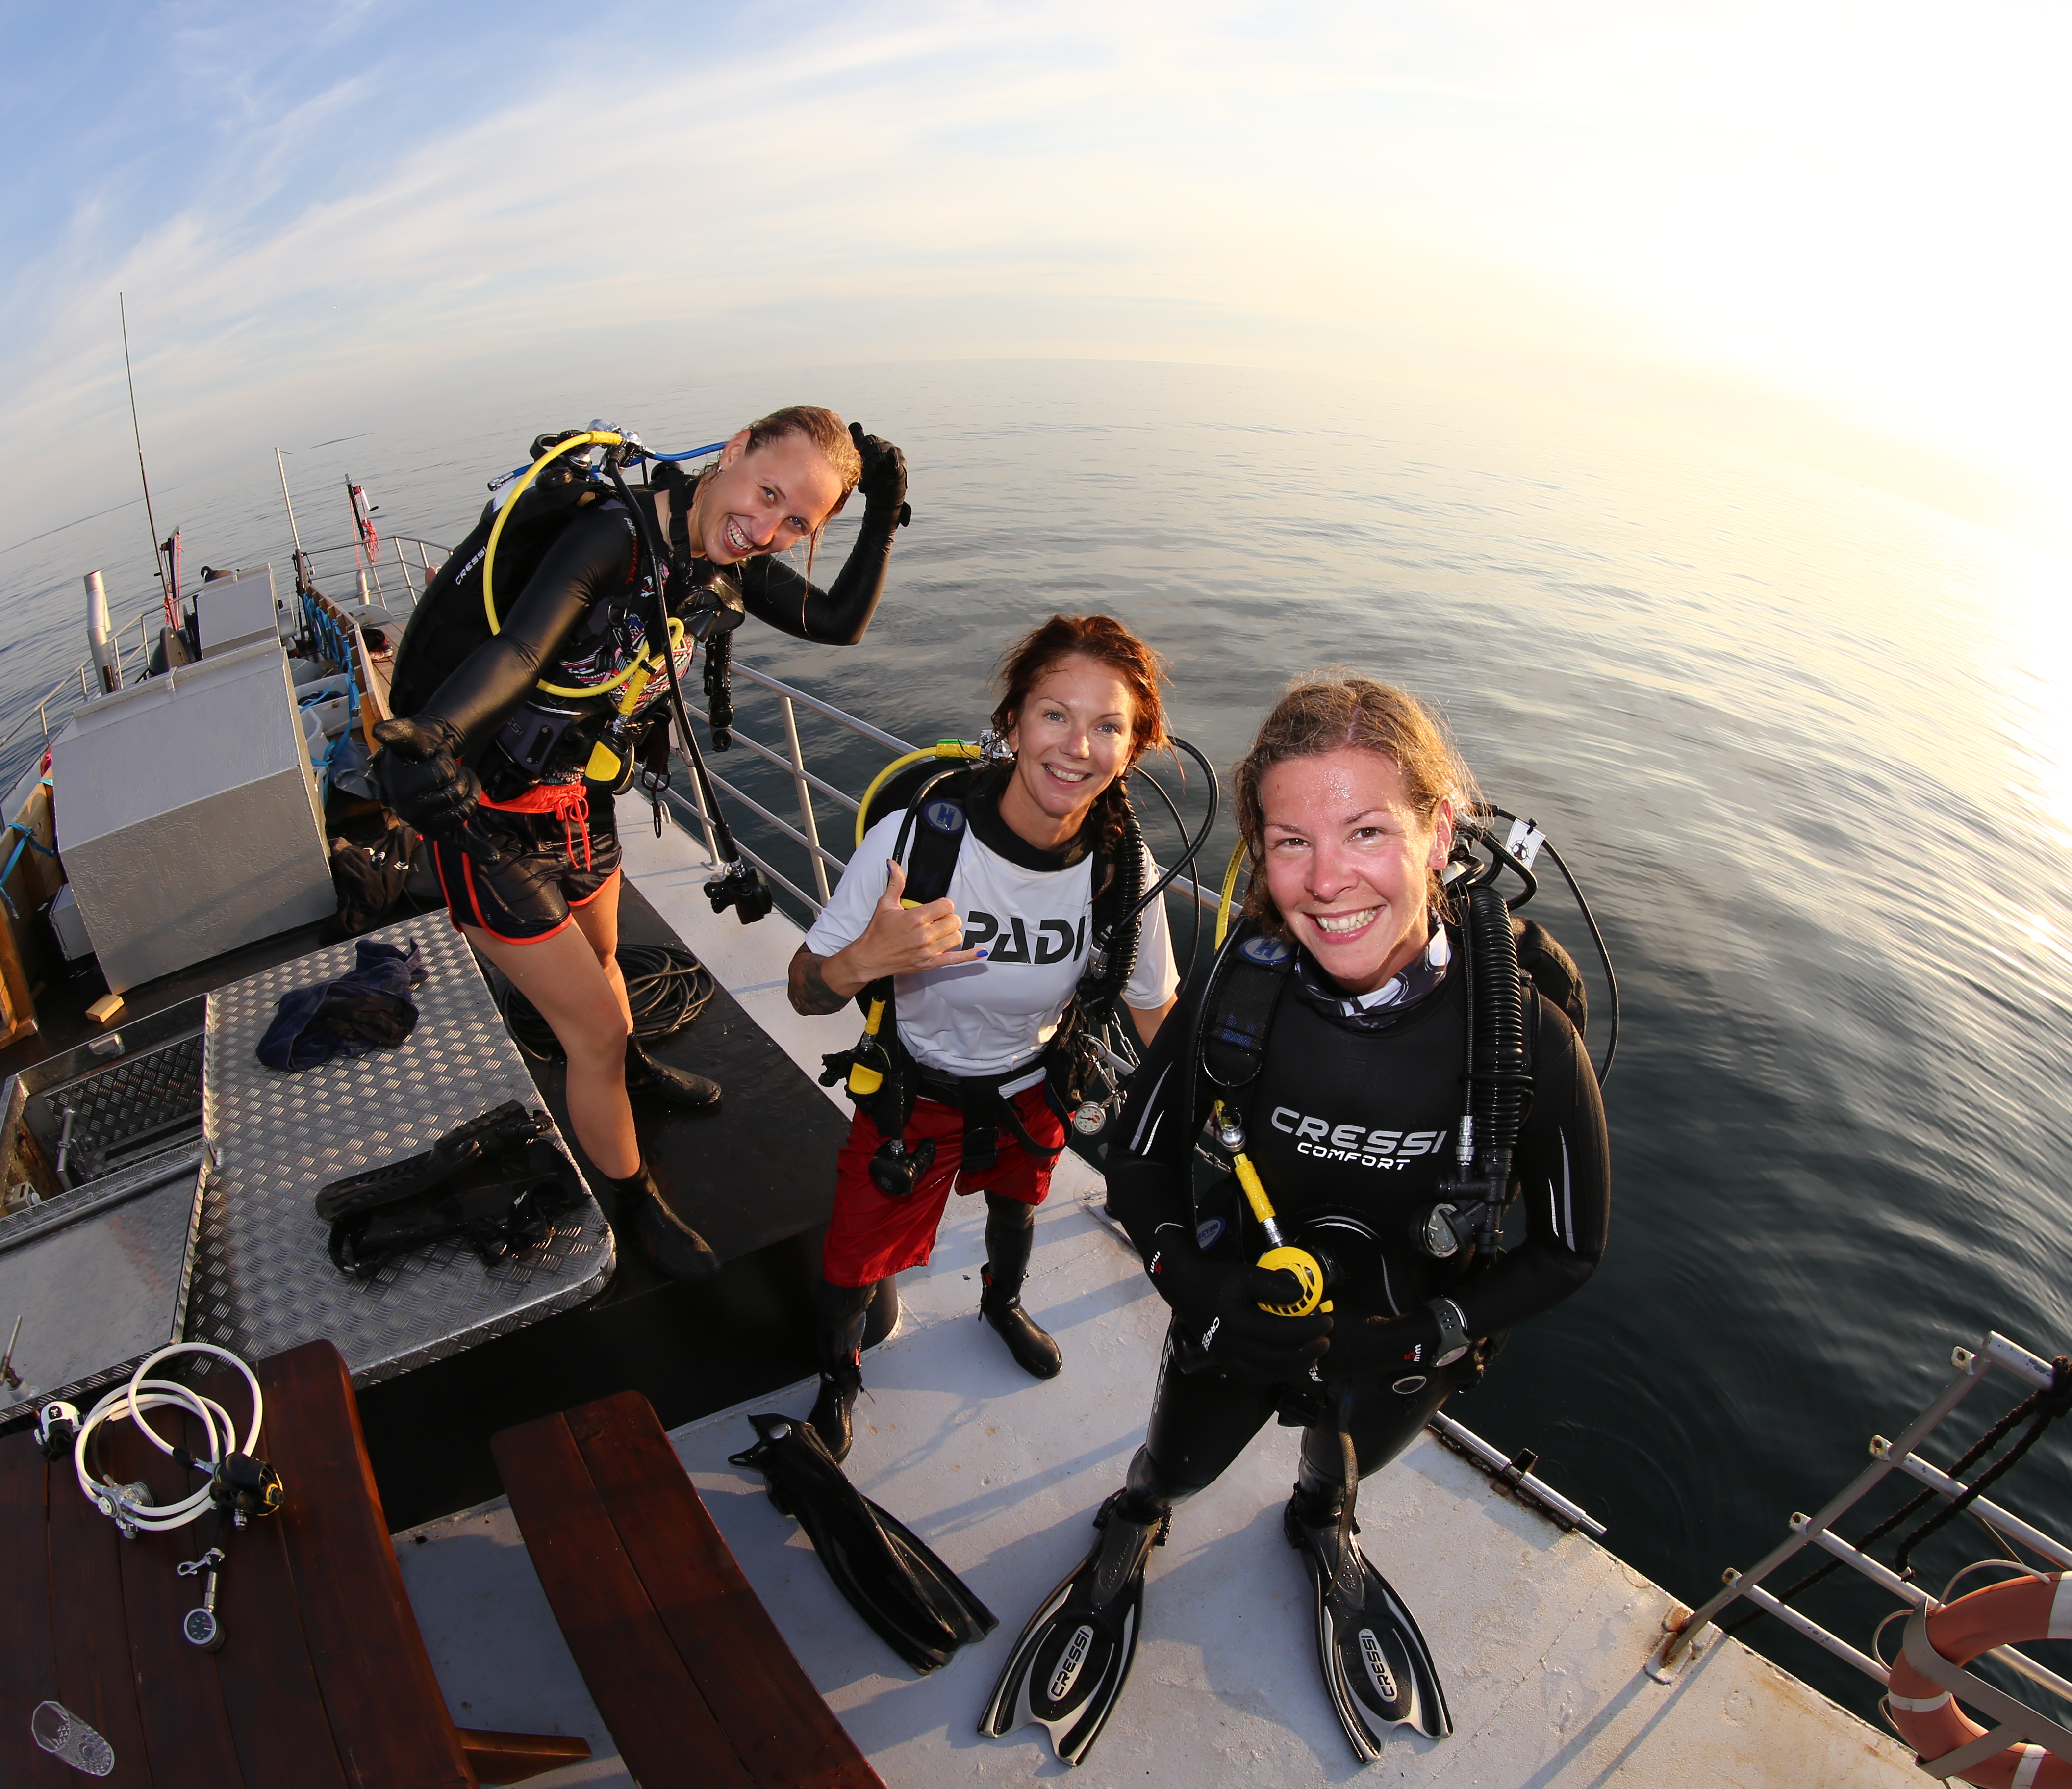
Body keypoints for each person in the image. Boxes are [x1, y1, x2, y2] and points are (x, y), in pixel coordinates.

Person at [980, 673, 1611, 1767]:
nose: (1327, 883)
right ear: (1258, 853)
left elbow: (1571, 1248)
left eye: (1367, 831)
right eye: (1289, 842)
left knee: (1343, 1468)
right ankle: (1139, 1517)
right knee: (1174, 1464)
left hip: (1406, 1345)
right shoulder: (1243, 989)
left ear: (1437, 831)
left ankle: (1324, 1528)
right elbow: (1136, 1167)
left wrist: (1421, 1336)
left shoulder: (1521, 1041)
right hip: (1236, 1315)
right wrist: (1199, 1282)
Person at [373, 406, 910, 1281]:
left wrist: (882, 509)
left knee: (609, 963)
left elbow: (840, 620)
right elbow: (515, 650)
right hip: (486, 819)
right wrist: (435, 735)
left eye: (797, 523)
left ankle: (632, 1066)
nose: (765, 530)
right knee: (590, 1028)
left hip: (579, 799)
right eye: (767, 491)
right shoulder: (611, 537)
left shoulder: (719, 564)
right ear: (734, 449)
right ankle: (631, 1205)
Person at [786, 614, 1180, 1459]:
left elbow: (1156, 1009)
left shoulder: (1123, 870)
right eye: (1054, 715)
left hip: (1031, 1086)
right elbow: (805, 989)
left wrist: (1222, 1117)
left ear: (1134, 748)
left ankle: (1000, 1304)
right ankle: (838, 1378)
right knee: (854, 1259)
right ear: (1011, 722)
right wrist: (864, 959)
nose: (1077, 746)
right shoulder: (918, 845)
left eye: (1108, 725)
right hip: (912, 1092)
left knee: (1020, 1206)